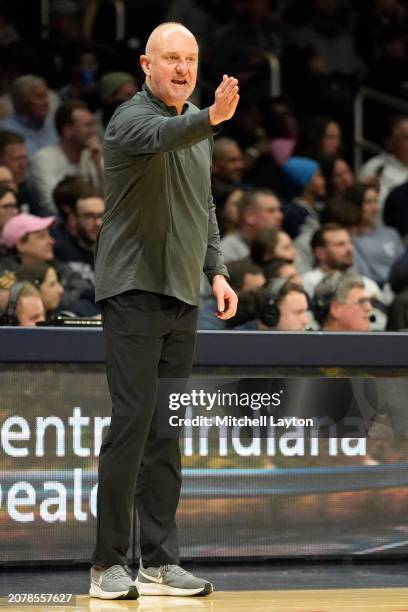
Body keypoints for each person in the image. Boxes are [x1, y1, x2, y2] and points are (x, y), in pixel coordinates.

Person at [90, 22, 239, 600]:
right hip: (132, 290)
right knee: (131, 423)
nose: (182, 68)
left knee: (166, 430)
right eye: (171, 58)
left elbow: (203, 205)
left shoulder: (197, 123)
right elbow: (164, 137)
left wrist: (217, 270)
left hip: (183, 294)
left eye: (191, 59)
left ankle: (159, 559)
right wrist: (208, 120)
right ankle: (107, 563)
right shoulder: (131, 119)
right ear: (146, 65)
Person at [29, 100, 104, 211]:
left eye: (92, 125)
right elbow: (52, 204)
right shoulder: (44, 159)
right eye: (87, 126)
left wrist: (98, 163)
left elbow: (111, 198)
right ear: (67, 130)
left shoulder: (93, 154)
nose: (93, 131)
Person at [51, 176, 105, 283]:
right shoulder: (55, 245)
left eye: (101, 215)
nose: (98, 223)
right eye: (89, 216)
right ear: (72, 219)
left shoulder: (113, 245)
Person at [0, 75, 58, 156]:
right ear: (20, 100)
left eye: (45, 96)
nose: (46, 102)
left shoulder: (53, 126)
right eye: (39, 97)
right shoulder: (4, 129)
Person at [220, 189, 283, 262]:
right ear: (249, 216)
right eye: (271, 211)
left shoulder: (282, 244)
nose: (280, 216)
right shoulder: (227, 251)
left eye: (279, 210)